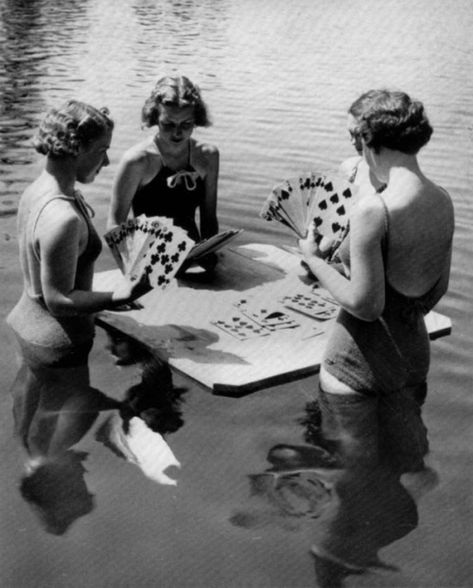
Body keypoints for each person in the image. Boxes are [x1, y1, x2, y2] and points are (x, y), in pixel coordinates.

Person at [299, 89, 454, 469]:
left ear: (369, 139)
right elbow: (437, 290)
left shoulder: (375, 209)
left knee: (353, 478)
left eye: (355, 136)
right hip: (412, 361)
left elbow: (366, 306)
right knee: (402, 464)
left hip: (356, 364)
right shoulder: (443, 200)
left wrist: (314, 260)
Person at [6, 100, 150, 471]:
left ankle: (34, 465)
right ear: (76, 149)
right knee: (56, 438)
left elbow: (43, 285)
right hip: (58, 343)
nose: (105, 163)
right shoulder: (63, 217)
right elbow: (58, 299)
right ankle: (47, 479)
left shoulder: (37, 189)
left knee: (36, 415)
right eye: (101, 152)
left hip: (26, 329)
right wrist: (122, 295)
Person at [107, 75, 220, 269]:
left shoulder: (208, 156)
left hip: (192, 258)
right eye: (168, 124)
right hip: (150, 261)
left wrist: (210, 254)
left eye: (186, 124)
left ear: (197, 120)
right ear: (154, 119)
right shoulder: (136, 161)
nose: (177, 133)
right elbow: (115, 226)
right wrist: (134, 273)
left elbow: (209, 218)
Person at [338, 90, 386, 194]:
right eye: (351, 134)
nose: (353, 142)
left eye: (358, 135)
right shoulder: (348, 169)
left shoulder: (398, 182)